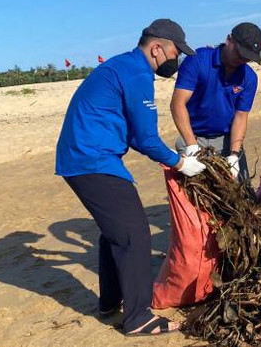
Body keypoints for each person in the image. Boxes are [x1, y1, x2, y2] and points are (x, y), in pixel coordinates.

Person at [56, 19, 205, 336]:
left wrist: (172, 159)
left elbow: (138, 137)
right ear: (156, 48)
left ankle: (111, 302)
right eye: (175, 53)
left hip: (84, 156)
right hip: (92, 159)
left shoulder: (123, 66)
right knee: (135, 233)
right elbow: (148, 138)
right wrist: (181, 163)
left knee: (115, 231)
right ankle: (138, 317)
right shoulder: (137, 73)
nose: (175, 61)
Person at [171, 23, 261, 182]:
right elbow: (177, 104)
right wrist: (192, 145)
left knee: (242, 193)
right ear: (229, 40)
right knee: (197, 193)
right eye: (240, 53)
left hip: (227, 139)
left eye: (248, 57)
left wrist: (234, 154)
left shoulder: (249, 78)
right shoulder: (197, 60)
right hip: (193, 136)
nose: (242, 60)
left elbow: (241, 116)